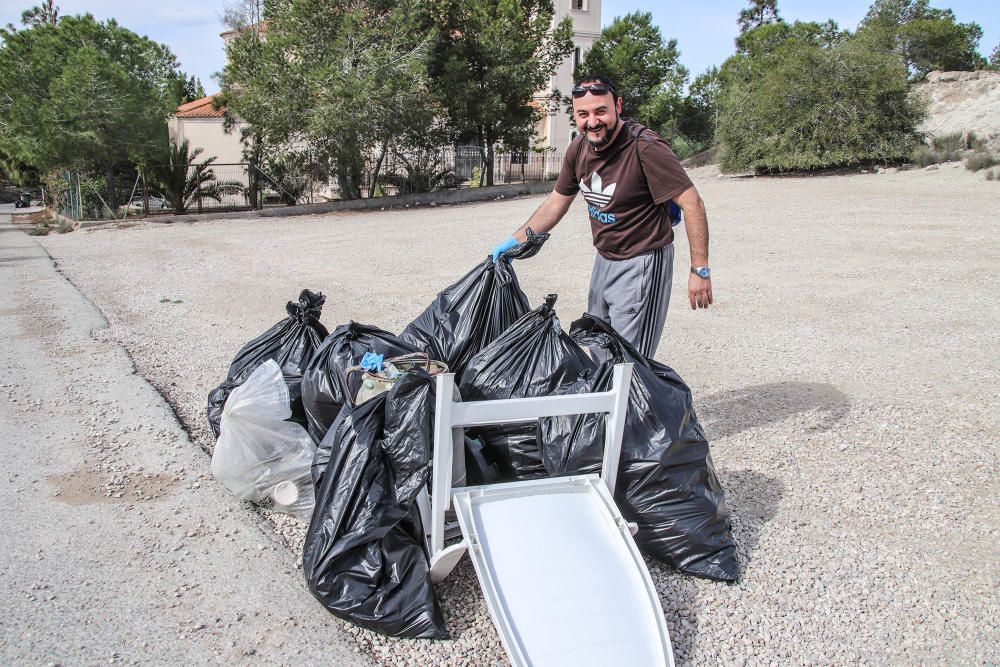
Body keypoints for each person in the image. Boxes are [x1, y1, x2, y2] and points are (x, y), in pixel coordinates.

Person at [491, 75, 712, 358]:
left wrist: (700, 270)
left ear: (618, 106)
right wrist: (513, 242)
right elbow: (556, 203)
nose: (592, 122)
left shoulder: (644, 146)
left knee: (628, 360)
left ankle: (633, 403)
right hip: (604, 260)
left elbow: (692, 203)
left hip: (642, 261)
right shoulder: (578, 149)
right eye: (583, 114)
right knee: (598, 350)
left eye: (600, 111)